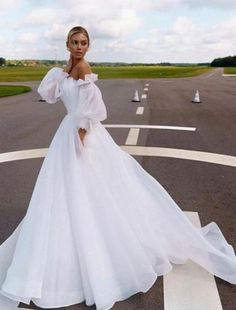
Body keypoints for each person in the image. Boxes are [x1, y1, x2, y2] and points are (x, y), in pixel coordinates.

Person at [0, 26, 236, 310]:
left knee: (85, 191)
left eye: (84, 42)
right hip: (69, 133)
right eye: (75, 42)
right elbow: (52, 96)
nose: (79, 47)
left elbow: (93, 111)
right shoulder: (67, 68)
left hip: (81, 135)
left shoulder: (84, 68)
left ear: (89, 45)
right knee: (73, 193)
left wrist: (82, 137)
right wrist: (63, 81)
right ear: (67, 44)